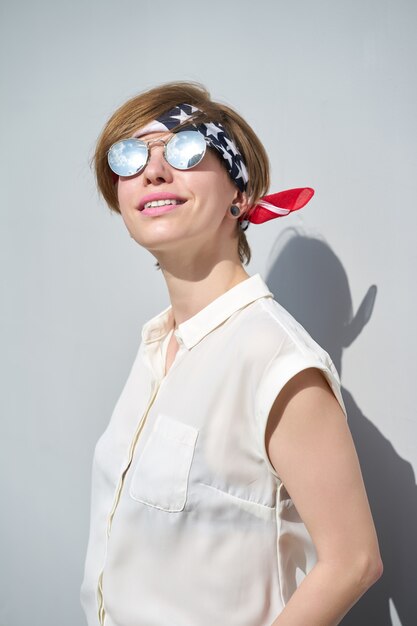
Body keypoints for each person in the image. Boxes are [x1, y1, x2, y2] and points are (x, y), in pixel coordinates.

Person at [80, 81, 383, 626]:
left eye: (185, 150)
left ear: (239, 196)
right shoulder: (157, 345)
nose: (152, 172)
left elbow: (353, 561)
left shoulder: (275, 359)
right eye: (129, 157)